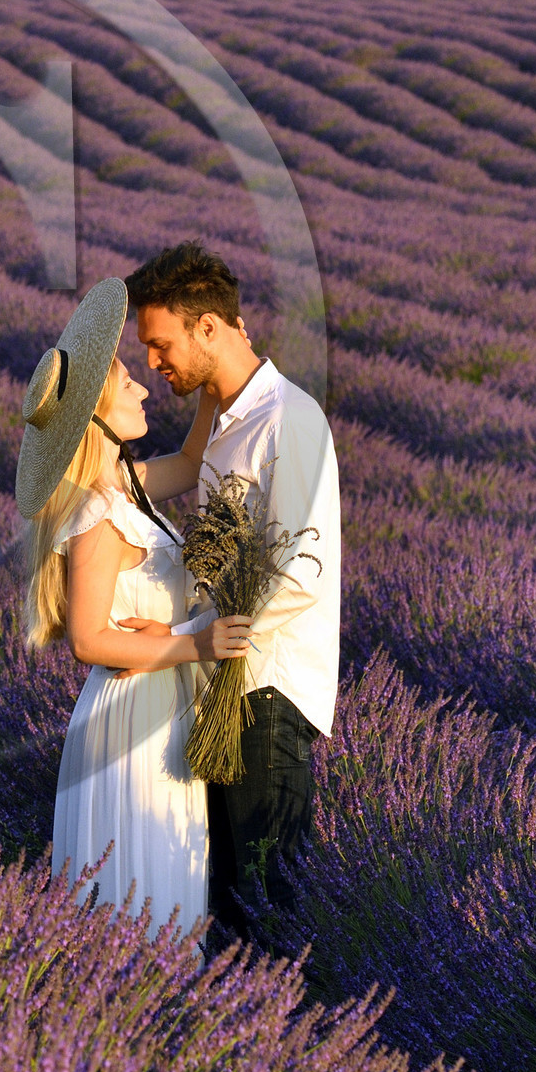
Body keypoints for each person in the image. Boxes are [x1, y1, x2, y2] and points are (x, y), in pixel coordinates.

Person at [17, 278, 253, 933]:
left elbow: (190, 459)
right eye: (127, 387)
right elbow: (89, 641)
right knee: (144, 895)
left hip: (155, 708)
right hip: (131, 723)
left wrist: (216, 374)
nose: (144, 390)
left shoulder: (121, 491)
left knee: (161, 892)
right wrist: (195, 644)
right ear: (95, 415)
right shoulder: (96, 515)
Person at [124, 243, 340, 938]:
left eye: (161, 346)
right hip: (223, 687)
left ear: (209, 328)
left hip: (265, 694)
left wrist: (192, 640)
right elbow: (187, 477)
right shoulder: (224, 417)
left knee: (266, 910)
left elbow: (295, 576)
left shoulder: (289, 419)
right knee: (227, 901)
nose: (154, 365)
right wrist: (91, 479)